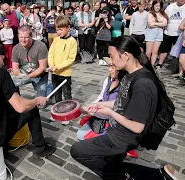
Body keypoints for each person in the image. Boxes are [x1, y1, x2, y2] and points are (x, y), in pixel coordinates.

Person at [70, 35, 181, 180]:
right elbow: (123, 103)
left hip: (124, 137)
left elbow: (137, 127)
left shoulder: (143, 84)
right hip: (117, 131)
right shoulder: (130, 74)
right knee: (110, 165)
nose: (109, 60)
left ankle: (154, 176)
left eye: (111, 55)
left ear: (126, 55)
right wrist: (100, 104)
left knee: (78, 150)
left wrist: (110, 112)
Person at [48, 15, 77, 125]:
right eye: (57, 29)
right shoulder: (55, 40)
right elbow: (50, 54)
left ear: (68, 27)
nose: (58, 31)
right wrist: (52, 65)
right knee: (57, 94)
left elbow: (70, 59)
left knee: (67, 95)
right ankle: (57, 113)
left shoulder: (72, 41)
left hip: (65, 74)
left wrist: (58, 66)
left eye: (60, 29)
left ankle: (67, 115)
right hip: (55, 72)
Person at [12, 25, 49, 101]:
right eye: (21, 37)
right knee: (11, 83)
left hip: (40, 75)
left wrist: (29, 76)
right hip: (25, 72)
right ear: (18, 36)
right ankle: (17, 101)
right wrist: (21, 75)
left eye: (26, 37)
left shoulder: (41, 46)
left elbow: (42, 67)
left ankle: (49, 88)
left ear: (31, 36)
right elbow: (15, 69)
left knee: (41, 103)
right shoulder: (15, 48)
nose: (23, 40)